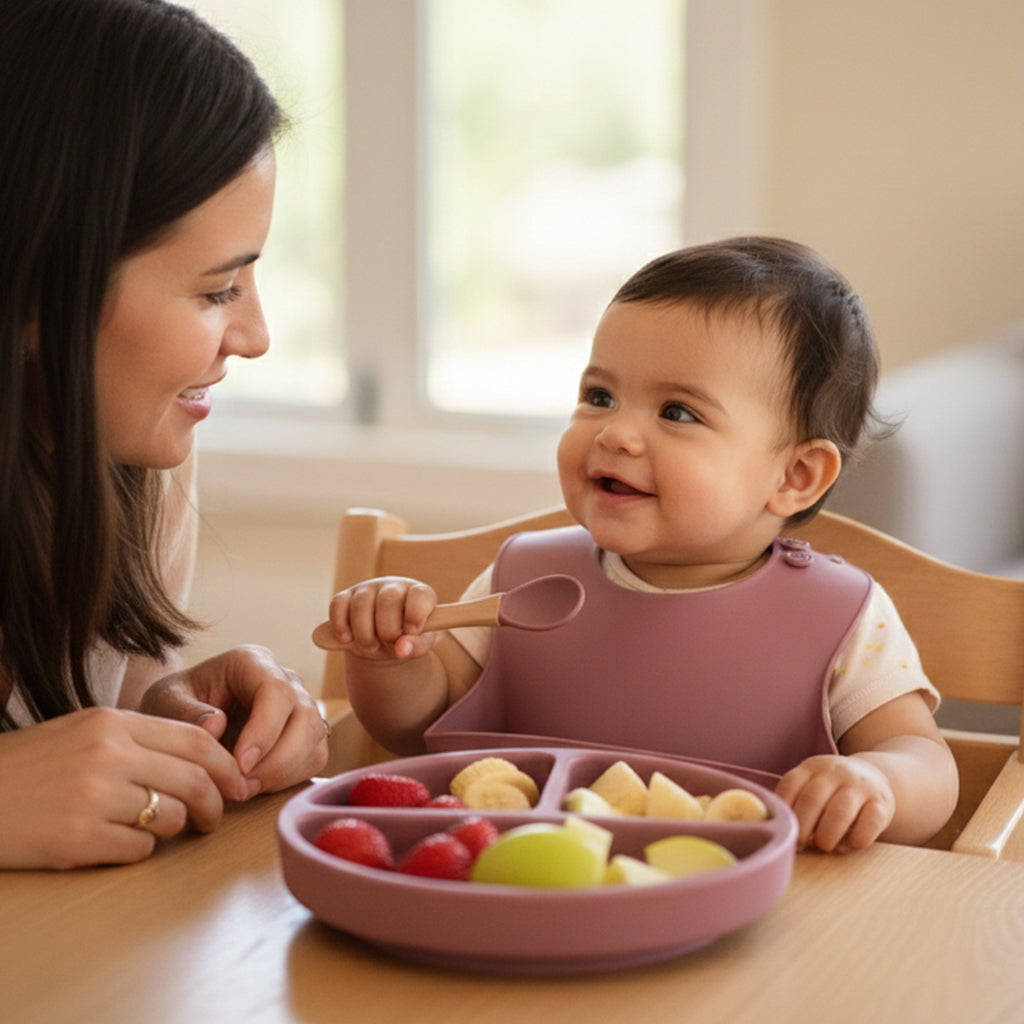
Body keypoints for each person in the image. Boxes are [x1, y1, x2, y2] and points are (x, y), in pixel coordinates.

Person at [327, 236, 959, 854]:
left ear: (794, 477)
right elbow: (415, 730)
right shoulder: (524, 578)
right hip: (523, 892)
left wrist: (877, 780)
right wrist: (393, 658)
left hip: (751, 928)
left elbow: (927, 763)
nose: (616, 433)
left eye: (678, 412)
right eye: (599, 397)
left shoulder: (841, 616)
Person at [0, 0, 328, 870]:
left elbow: (68, 714)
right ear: (35, 292)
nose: (255, 337)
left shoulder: (135, 455)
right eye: (217, 292)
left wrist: (166, 707)